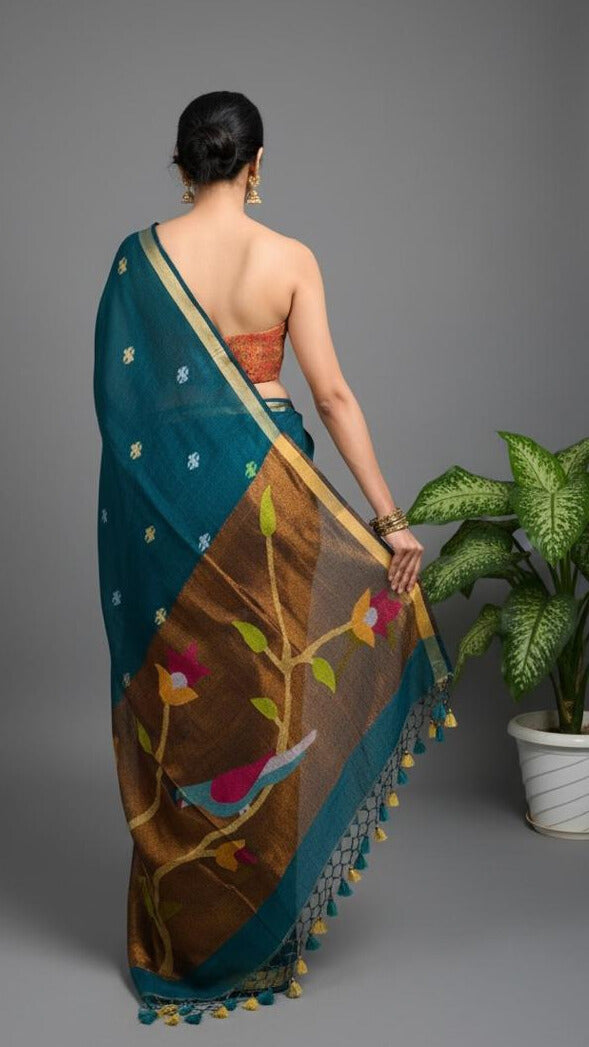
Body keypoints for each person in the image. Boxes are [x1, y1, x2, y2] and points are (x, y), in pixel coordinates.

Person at [93, 90, 455, 1027]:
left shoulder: (141, 258)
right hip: (269, 503)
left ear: (183, 164)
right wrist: (388, 520)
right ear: (257, 163)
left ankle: (182, 934)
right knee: (267, 696)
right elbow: (330, 396)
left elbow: (128, 416)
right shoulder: (288, 258)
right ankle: (257, 936)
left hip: (176, 509)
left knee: (186, 704)